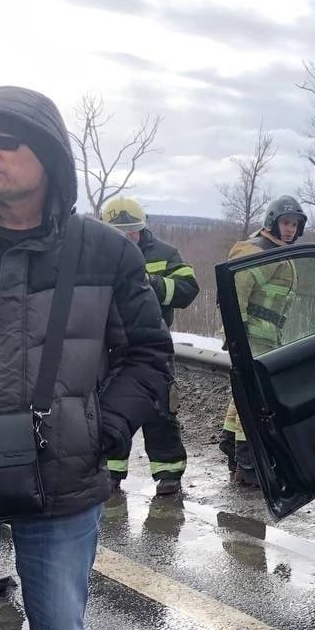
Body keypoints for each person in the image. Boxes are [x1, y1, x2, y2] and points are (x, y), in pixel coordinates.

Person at [0, 86, 172, 630]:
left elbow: (150, 356)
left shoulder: (104, 252)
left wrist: (101, 430)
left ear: (51, 158)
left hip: (61, 478)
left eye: (5, 137)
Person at [101, 197, 199, 495]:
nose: (125, 237)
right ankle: (110, 472)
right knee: (109, 407)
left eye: (130, 230)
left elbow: (188, 289)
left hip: (153, 341)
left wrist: (151, 283)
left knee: (160, 408)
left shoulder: (164, 253)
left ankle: (169, 473)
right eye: (119, 231)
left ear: (142, 228)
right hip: (111, 344)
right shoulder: (98, 253)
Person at [219, 195, 305, 486]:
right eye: (285, 222)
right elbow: (235, 295)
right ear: (272, 222)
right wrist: (236, 337)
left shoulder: (278, 251)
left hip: (267, 338)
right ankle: (248, 462)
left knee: (242, 396)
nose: (290, 229)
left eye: (295, 224)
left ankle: (231, 448)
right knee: (254, 399)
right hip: (250, 337)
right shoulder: (255, 250)